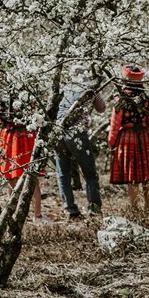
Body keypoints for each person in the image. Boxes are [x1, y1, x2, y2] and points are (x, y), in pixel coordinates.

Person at [107, 64, 149, 210]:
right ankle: (147, 205)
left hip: (127, 138)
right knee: (146, 174)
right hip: (145, 137)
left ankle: (134, 208)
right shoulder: (145, 98)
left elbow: (115, 124)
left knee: (132, 177)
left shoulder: (120, 100)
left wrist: (111, 143)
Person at [54, 73, 106, 219]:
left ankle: (69, 209)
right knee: (90, 174)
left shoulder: (63, 88)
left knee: (63, 173)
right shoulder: (90, 89)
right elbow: (102, 108)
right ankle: (94, 209)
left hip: (58, 131)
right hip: (77, 133)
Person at [0, 93, 46, 222]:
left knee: (11, 177)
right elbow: (38, 119)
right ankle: (37, 216)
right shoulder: (28, 94)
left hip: (6, 137)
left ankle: (12, 214)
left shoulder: (1, 96)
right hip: (25, 135)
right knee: (31, 178)